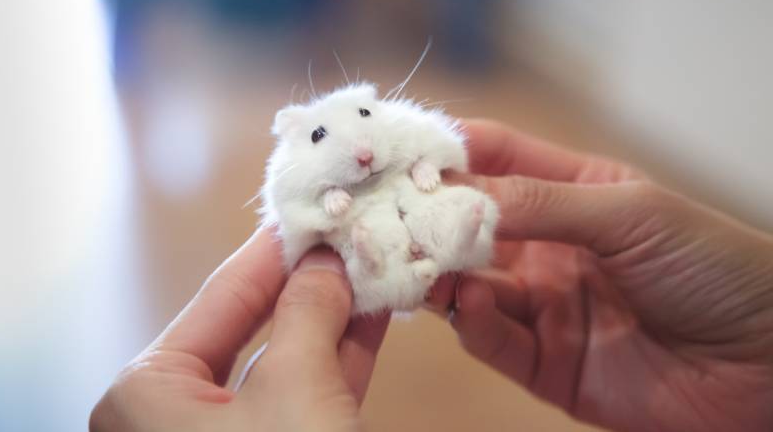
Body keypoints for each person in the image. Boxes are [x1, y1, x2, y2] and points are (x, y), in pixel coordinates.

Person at [91, 119, 773, 432]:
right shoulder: (295, 175)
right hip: (374, 260)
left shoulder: (398, 134)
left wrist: (431, 175)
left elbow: (441, 142)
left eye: (365, 119)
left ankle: (431, 246)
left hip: (441, 237)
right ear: (297, 136)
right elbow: (291, 213)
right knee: (378, 267)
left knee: (464, 221)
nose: (361, 149)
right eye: (330, 138)